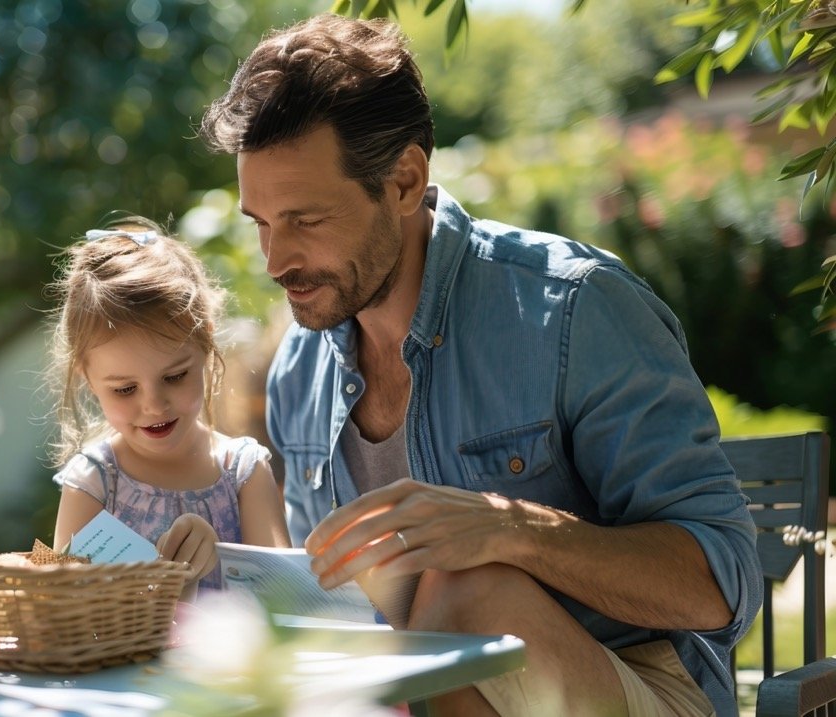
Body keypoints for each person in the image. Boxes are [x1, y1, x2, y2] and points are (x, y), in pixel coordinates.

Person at [199, 13, 761, 716]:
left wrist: (512, 529)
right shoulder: (298, 371)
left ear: (404, 181)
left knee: (465, 589)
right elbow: (333, 616)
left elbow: (722, 581)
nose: (276, 260)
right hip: (424, 694)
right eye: (260, 223)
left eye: (306, 220)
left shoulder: (574, 309)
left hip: (640, 684)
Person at [46, 216, 291, 596]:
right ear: (87, 377)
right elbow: (63, 608)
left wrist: (224, 557)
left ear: (206, 343)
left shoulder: (242, 473)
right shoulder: (94, 483)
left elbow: (286, 602)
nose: (154, 404)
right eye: (125, 389)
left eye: (175, 377)